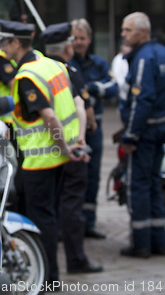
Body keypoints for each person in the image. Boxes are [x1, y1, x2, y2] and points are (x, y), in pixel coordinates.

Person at [0, 19, 88, 288]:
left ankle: (48, 279)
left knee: (42, 219)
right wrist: (78, 140)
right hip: (61, 157)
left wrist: (62, 147)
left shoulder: (27, 76)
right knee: (52, 214)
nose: (2, 49)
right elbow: (79, 104)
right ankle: (50, 275)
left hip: (41, 161)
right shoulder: (53, 65)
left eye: (5, 43)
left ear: (16, 43)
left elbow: (49, 117)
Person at [41, 22, 102, 274]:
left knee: (48, 208)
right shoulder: (68, 70)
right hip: (71, 149)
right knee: (72, 205)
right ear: (67, 46)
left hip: (43, 153)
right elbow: (81, 106)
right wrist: (81, 140)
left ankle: (48, 267)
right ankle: (76, 259)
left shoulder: (37, 70)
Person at [119, 11, 165, 258]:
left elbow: (141, 100)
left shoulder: (144, 57)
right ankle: (159, 241)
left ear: (142, 32)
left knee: (138, 187)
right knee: (154, 183)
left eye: (127, 30)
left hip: (144, 134)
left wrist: (131, 136)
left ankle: (141, 244)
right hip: (161, 127)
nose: (123, 34)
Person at [69, 18, 118, 239]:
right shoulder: (66, 63)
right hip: (73, 131)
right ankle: (72, 224)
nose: (79, 42)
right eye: (75, 38)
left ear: (89, 39)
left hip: (94, 129)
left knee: (94, 177)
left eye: (82, 38)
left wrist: (91, 89)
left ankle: (89, 223)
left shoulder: (98, 63)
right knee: (74, 178)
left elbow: (113, 87)